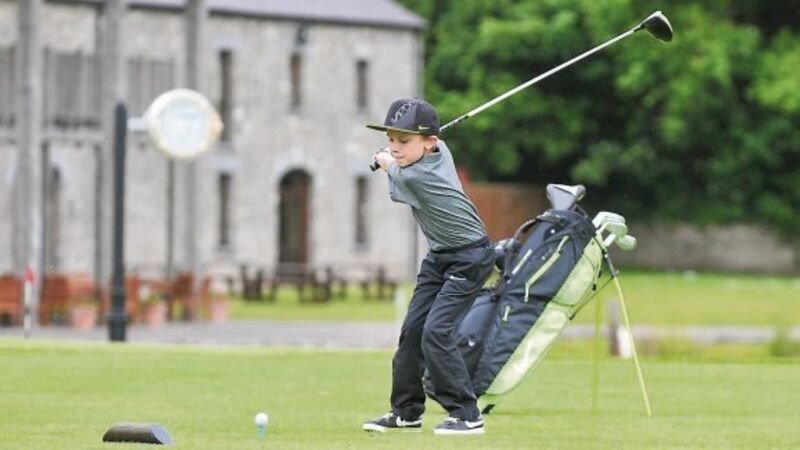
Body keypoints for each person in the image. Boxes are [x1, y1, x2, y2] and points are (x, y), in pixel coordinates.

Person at [362, 98, 494, 435]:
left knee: (436, 332)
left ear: (429, 142)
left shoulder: (416, 177)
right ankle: (406, 411)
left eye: (403, 140)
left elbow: (393, 168)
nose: (396, 147)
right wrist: (409, 146)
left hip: (470, 257)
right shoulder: (440, 151)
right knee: (412, 332)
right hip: (439, 258)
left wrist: (382, 158)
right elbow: (409, 155)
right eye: (391, 139)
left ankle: (467, 414)